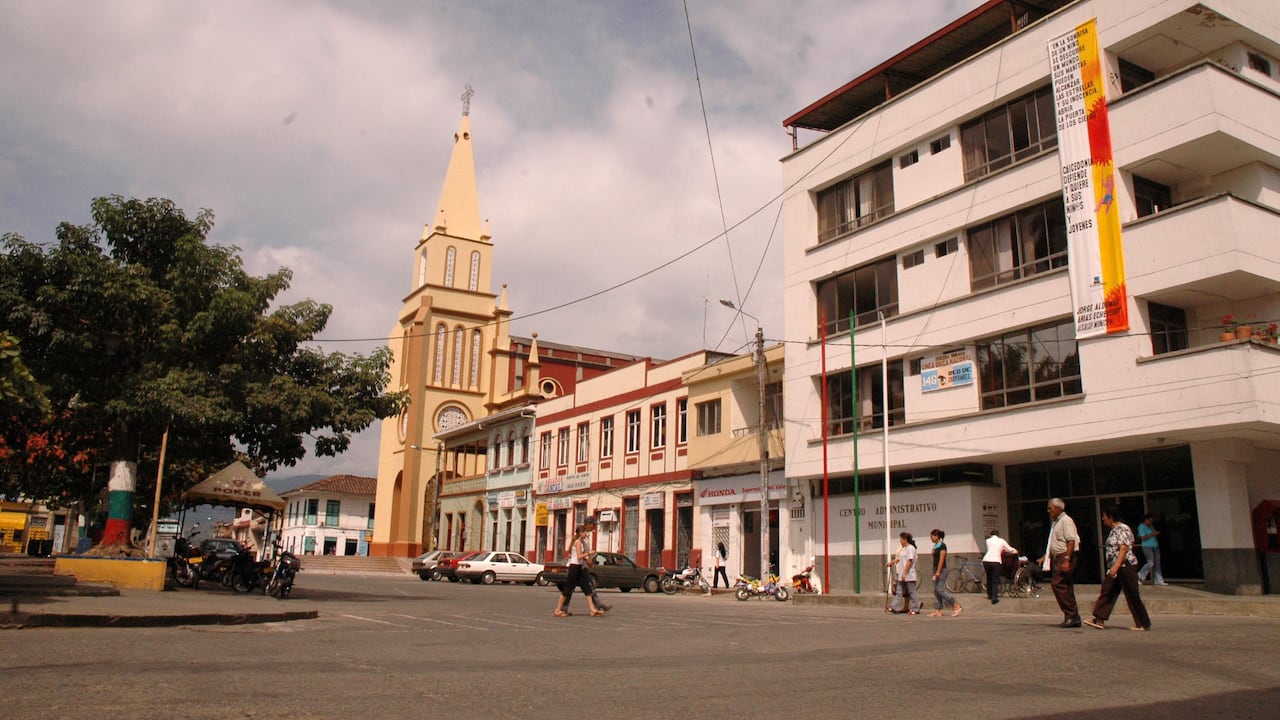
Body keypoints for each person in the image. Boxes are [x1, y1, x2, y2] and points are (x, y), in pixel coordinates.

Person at [1084, 505, 1152, 631]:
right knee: (1107, 591)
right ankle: (1099, 618)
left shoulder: (1122, 528)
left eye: (1104, 517)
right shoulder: (1113, 530)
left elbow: (1124, 548)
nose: (1103, 519)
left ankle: (1143, 623)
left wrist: (1116, 566)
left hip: (1125, 566)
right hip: (1115, 568)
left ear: (1111, 517)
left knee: (1132, 594)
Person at [1037, 497, 1081, 628]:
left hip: (1065, 556)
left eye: (1050, 508)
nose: (1048, 510)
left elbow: (1071, 541)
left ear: (1058, 508)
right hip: (1059, 556)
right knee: (1065, 585)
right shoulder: (1056, 522)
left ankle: (1071, 614)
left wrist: (1067, 559)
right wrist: (1047, 555)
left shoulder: (1066, 521)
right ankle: (1072, 617)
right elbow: (1054, 541)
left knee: (1058, 584)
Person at [554, 524, 604, 618]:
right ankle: (558, 610)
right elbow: (579, 556)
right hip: (574, 567)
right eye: (584, 532)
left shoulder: (580, 542)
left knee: (587, 589)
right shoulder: (578, 542)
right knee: (568, 589)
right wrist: (589, 553)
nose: (586, 533)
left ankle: (592, 610)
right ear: (580, 533)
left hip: (579, 567)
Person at [562, 517, 609, 613]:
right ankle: (562, 608)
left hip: (581, 566)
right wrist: (588, 558)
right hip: (578, 566)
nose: (594, 526)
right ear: (588, 524)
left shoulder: (586, 536)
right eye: (593, 524)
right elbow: (581, 552)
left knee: (588, 586)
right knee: (572, 587)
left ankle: (596, 606)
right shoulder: (582, 538)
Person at [928, 529, 962, 618]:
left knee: (940, 589)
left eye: (932, 536)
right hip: (935, 569)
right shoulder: (935, 546)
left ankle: (955, 604)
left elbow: (941, 559)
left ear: (936, 536)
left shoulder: (942, 546)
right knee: (936, 590)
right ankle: (937, 610)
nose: (931, 538)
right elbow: (934, 560)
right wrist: (933, 571)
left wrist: (938, 571)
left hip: (942, 569)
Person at [886, 532, 921, 615]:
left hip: (909, 574)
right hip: (901, 573)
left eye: (901, 539)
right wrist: (892, 562)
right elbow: (900, 559)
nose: (900, 541)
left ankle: (915, 608)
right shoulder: (904, 548)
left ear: (905, 540)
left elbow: (909, 561)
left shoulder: (910, 548)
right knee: (899, 591)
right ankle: (894, 606)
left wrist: (905, 573)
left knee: (912, 592)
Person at [982, 530, 1017, 605]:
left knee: (989, 578)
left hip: (986, 560)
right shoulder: (1001, 541)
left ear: (991, 535)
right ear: (998, 535)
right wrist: (1015, 551)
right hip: (996, 561)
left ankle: (990, 595)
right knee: (995, 579)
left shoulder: (988, 541)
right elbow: (1009, 549)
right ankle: (994, 597)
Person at [1136, 513, 1167, 585]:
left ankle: (1159, 580)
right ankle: (1140, 575)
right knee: (1150, 563)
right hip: (1147, 546)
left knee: (1157, 563)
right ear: (1146, 520)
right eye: (1149, 521)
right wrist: (1153, 534)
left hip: (1155, 545)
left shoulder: (1151, 526)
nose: (1150, 522)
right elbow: (1143, 538)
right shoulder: (1141, 526)